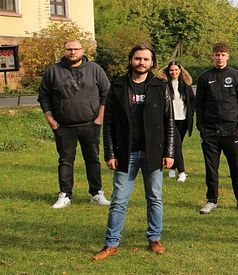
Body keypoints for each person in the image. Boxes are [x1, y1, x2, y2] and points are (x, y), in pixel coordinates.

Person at [92, 43, 175, 261]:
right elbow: (108, 123)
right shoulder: (117, 86)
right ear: (131, 60)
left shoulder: (160, 86)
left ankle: (154, 239)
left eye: (146, 59)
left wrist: (169, 152)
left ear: (152, 62)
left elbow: (169, 121)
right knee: (119, 200)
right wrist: (110, 153)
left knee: (155, 198)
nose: (142, 62)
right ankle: (111, 243)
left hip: (153, 153)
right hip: (124, 153)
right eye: (138, 58)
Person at [38, 39, 111, 209]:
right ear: (64, 51)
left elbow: (107, 93)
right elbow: (43, 96)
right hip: (63, 126)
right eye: (69, 49)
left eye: (76, 49)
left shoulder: (94, 69)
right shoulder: (53, 71)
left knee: (92, 159)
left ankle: (96, 193)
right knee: (65, 160)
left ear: (82, 51)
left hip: (90, 124)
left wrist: (99, 118)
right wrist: (50, 119)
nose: (72, 52)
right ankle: (65, 195)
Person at [195, 42, 238, 214]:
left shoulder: (236, 76)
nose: (220, 57)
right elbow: (199, 105)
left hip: (231, 131)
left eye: (223, 54)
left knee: (236, 167)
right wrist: (201, 127)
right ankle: (211, 200)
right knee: (211, 168)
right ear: (212, 56)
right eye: (217, 54)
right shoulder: (205, 77)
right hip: (210, 132)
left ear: (228, 56)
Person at [157, 61, 195, 182]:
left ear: (180, 71)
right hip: (170, 120)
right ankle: (182, 172)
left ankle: (172, 169)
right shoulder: (163, 85)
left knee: (176, 146)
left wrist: (191, 113)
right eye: (171, 70)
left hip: (183, 120)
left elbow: (192, 102)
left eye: (176, 70)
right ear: (168, 71)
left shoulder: (186, 84)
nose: (174, 72)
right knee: (176, 145)